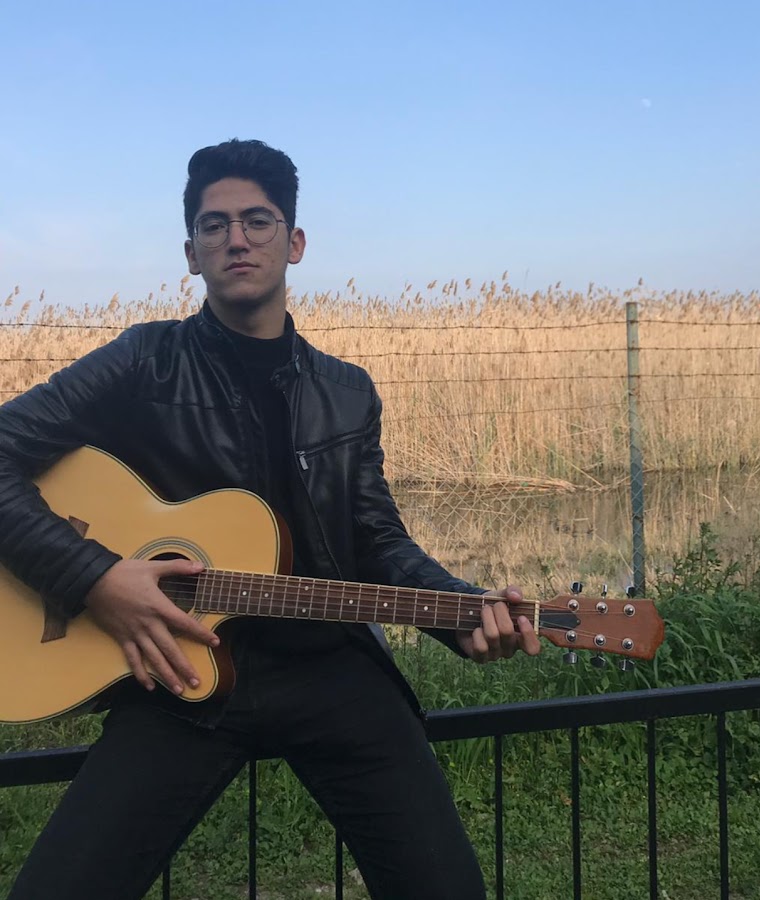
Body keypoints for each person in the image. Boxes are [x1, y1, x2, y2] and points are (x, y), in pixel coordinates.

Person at [0, 138, 541, 900]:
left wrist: (461, 612)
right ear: (191, 254)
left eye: (258, 221)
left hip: (331, 671)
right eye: (214, 225)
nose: (237, 239)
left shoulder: (347, 393)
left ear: (294, 243)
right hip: (180, 670)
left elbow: (376, 538)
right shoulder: (142, 362)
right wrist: (94, 578)